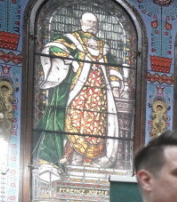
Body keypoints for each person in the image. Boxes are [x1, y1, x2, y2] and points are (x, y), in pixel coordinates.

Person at [34, 11, 127, 182]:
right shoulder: (71, 39)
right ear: (81, 23)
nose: (92, 26)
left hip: (99, 96)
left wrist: (115, 86)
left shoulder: (103, 46)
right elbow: (54, 48)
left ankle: (89, 160)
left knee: (97, 127)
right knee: (73, 122)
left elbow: (113, 67)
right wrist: (71, 59)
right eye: (89, 22)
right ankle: (68, 158)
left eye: (94, 23)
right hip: (76, 91)